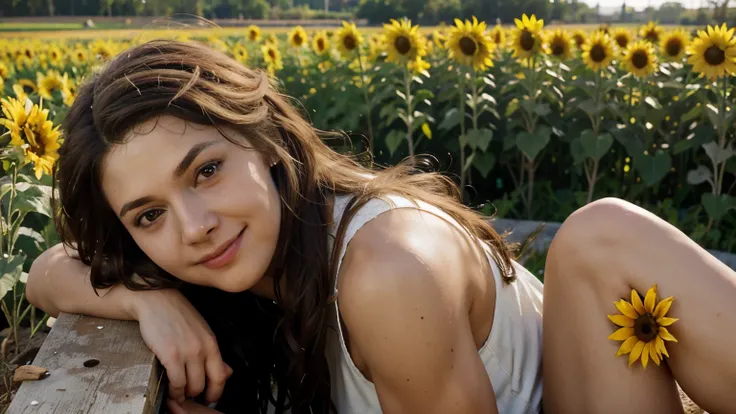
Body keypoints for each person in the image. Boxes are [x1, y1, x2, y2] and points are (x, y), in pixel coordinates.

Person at [25, 39, 736, 414]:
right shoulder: (236, 262)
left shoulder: (383, 270)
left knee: (600, 234)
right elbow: (47, 272)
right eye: (148, 215)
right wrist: (146, 299)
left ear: (265, 141)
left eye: (205, 170)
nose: (195, 227)